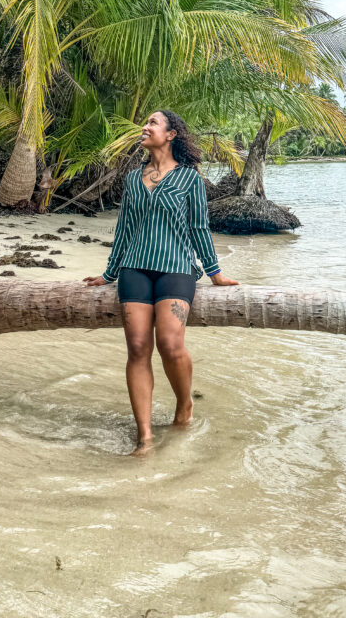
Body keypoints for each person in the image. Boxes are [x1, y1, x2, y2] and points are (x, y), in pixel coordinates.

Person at [84, 110, 239, 452]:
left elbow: (199, 227)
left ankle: (184, 403)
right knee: (138, 348)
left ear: (170, 134)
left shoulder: (189, 179)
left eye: (153, 123)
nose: (145, 127)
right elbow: (124, 229)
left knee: (170, 344)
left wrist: (214, 273)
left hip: (177, 268)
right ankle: (145, 437)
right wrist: (109, 273)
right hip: (134, 268)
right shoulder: (133, 179)